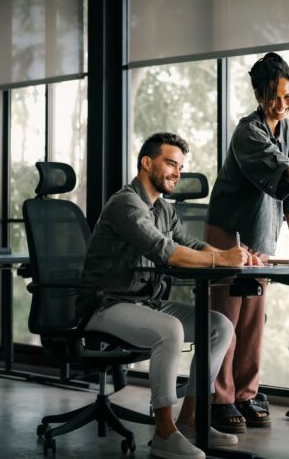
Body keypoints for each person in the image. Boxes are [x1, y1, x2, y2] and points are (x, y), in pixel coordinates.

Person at [78, 132, 261, 459]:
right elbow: (166, 251)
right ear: (147, 163)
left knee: (219, 325)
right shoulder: (126, 203)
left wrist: (234, 254)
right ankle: (164, 433)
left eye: (180, 165)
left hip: (144, 301)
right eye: (171, 163)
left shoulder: (162, 208)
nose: (178, 172)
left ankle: (190, 421)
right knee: (170, 330)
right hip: (106, 304)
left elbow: (189, 244)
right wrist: (223, 259)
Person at [205, 52, 289, 433]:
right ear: (259, 96)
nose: (282, 104)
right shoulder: (248, 131)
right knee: (226, 320)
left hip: (263, 232)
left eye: (288, 96)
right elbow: (282, 170)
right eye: (274, 97)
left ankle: (246, 393)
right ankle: (220, 397)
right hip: (228, 230)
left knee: (254, 320)